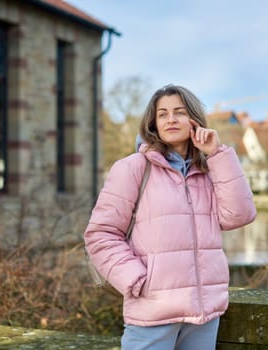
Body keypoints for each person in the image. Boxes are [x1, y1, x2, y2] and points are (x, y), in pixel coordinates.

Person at [84, 84, 256, 349]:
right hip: (153, 312)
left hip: (203, 314)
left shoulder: (210, 169)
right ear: (153, 123)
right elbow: (100, 234)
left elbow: (239, 215)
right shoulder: (133, 168)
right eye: (162, 114)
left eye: (179, 112)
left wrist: (217, 154)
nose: (171, 119)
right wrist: (136, 279)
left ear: (194, 120)